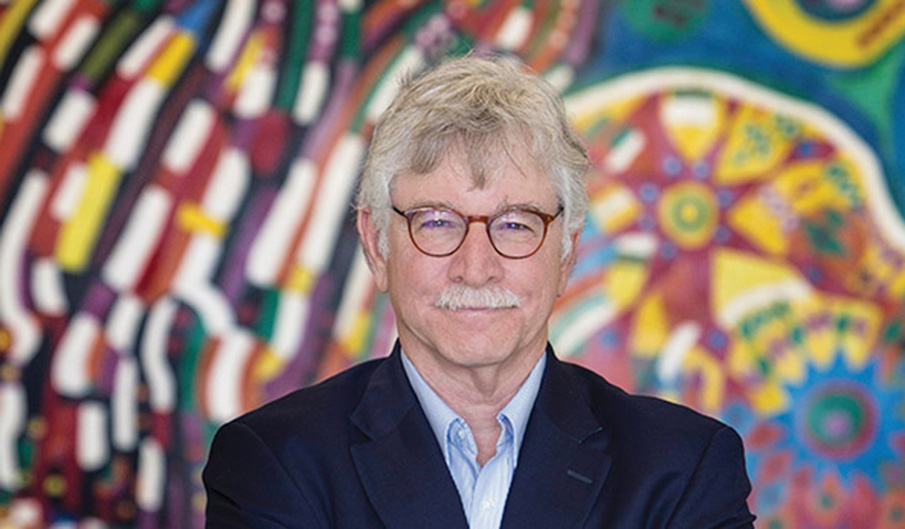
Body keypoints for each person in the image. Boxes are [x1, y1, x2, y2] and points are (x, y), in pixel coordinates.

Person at [203, 54, 756, 528]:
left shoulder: (683, 468)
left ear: (566, 251)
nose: (476, 268)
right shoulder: (274, 463)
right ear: (377, 245)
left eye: (515, 224)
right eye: (437, 222)